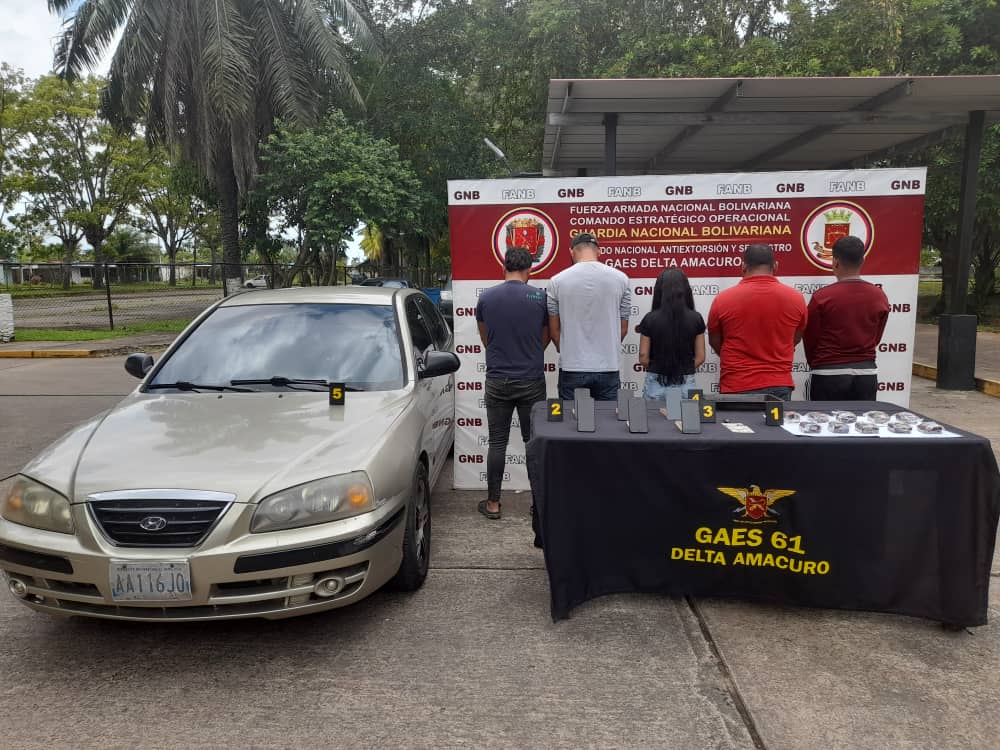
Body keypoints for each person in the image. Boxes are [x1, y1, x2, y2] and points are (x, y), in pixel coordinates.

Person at [475, 246, 549, 520]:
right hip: (530, 378)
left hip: (497, 380)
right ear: (529, 269)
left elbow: (486, 338)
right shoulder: (539, 297)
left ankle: (493, 503)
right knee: (533, 443)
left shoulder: (486, 298)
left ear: (503, 268)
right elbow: (544, 338)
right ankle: (538, 505)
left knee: (497, 442)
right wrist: (529, 354)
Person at [707, 243, 807, 400]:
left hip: (737, 383)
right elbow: (796, 337)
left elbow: (714, 340)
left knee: (735, 426)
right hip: (779, 382)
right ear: (776, 266)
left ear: (743, 267)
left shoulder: (723, 299)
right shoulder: (796, 298)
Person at [803, 235, 890, 401]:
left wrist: (819, 363)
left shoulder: (822, 297)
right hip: (866, 373)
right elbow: (876, 337)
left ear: (835, 262)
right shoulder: (879, 296)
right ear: (862, 261)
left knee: (821, 424)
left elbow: (810, 338)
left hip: (827, 372)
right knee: (861, 425)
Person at [547, 232, 631, 400]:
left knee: (571, 424)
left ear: (571, 252)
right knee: (608, 423)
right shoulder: (621, 279)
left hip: (572, 366)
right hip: (608, 366)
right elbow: (623, 328)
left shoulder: (556, 281)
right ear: (599, 251)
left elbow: (554, 330)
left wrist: (565, 349)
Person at [637, 269, 706, 401]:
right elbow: (701, 357)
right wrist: (683, 369)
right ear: (685, 290)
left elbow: (643, 356)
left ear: (659, 290)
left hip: (656, 381)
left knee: (653, 420)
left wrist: (658, 368)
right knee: (686, 420)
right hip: (686, 382)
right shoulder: (696, 318)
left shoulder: (650, 318)